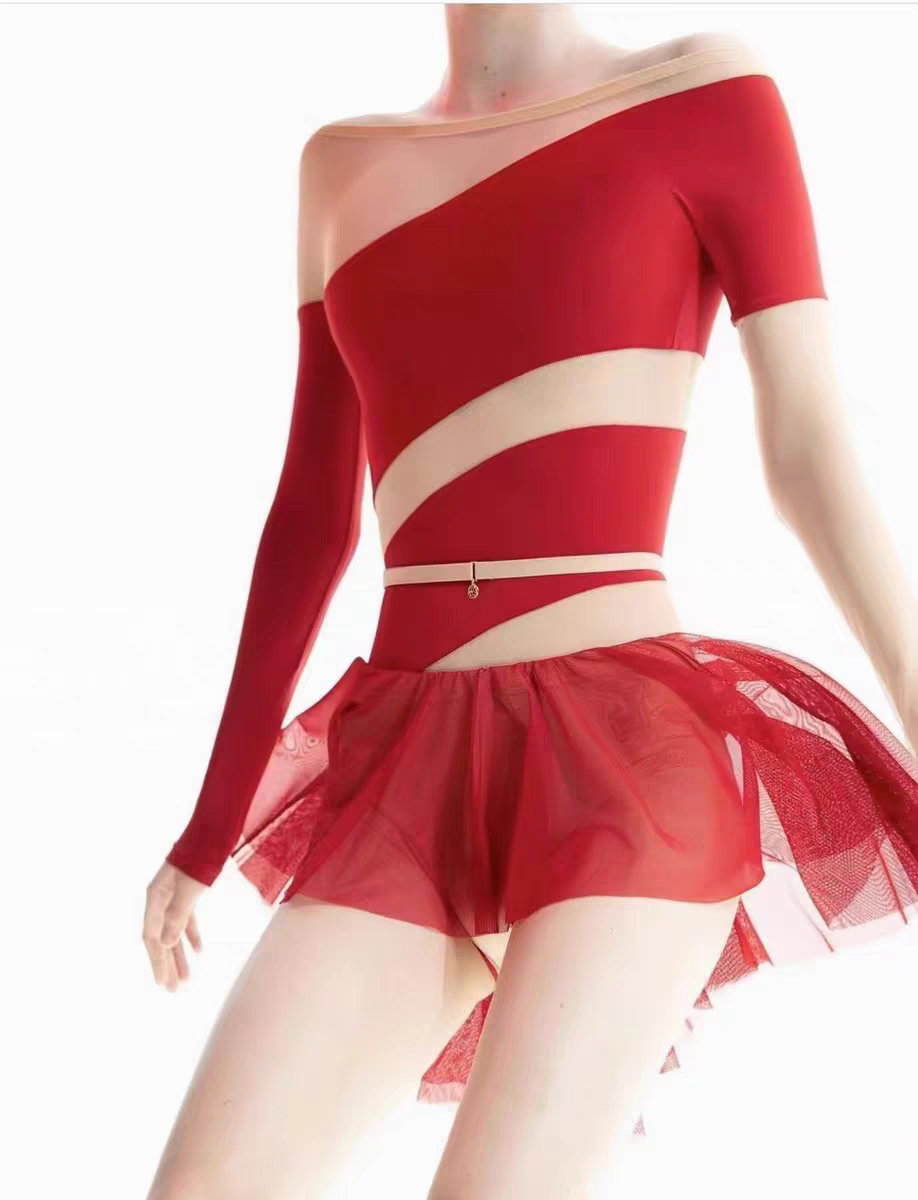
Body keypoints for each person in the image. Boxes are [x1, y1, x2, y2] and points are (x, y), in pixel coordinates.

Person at [143, 8, 918, 1199]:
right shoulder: (340, 166)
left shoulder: (703, 93)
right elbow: (309, 521)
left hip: (624, 764)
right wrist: (208, 830)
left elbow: (810, 450)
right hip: (406, 768)